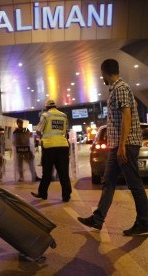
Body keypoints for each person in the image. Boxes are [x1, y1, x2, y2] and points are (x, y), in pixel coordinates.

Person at [78, 59, 148, 235]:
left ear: (104, 72)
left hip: (125, 145)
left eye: (101, 74)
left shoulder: (121, 88)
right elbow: (132, 108)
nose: (101, 77)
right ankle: (98, 219)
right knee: (108, 181)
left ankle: (145, 221)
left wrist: (123, 145)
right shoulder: (118, 89)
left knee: (134, 184)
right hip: (116, 145)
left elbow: (126, 116)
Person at [31, 99, 72, 202]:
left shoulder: (46, 115)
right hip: (63, 146)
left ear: (47, 107)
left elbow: (38, 130)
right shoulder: (63, 115)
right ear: (55, 106)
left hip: (49, 147)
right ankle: (66, 196)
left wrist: (43, 138)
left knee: (47, 173)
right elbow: (66, 131)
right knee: (63, 173)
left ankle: (42, 193)